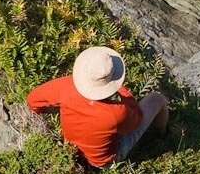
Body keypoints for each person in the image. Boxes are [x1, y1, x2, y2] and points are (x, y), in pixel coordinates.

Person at [26, 46, 169, 167]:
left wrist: (58, 110)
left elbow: (32, 101)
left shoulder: (66, 86)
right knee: (157, 99)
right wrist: (123, 92)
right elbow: (136, 120)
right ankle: (161, 135)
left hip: (70, 148)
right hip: (102, 162)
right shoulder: (116, 113)